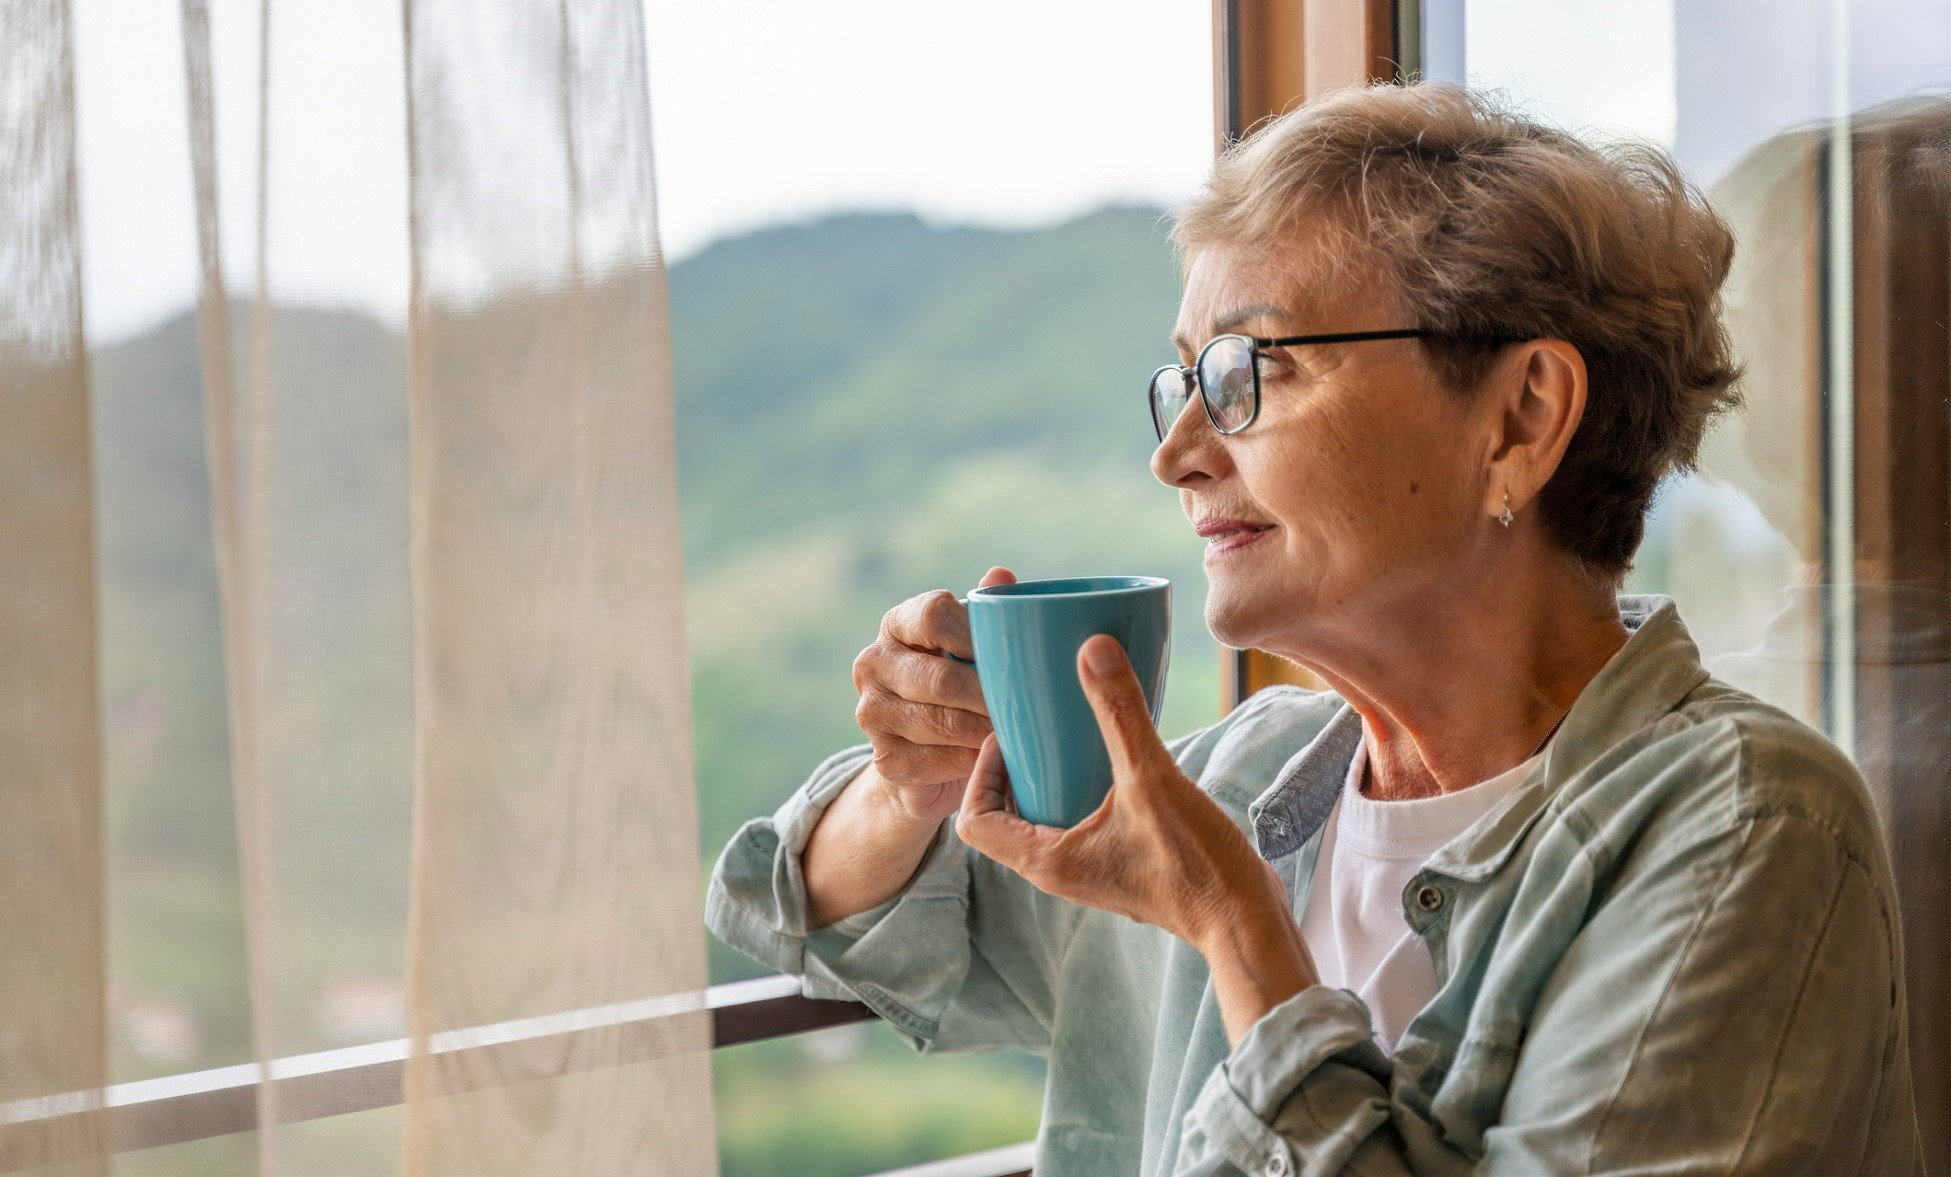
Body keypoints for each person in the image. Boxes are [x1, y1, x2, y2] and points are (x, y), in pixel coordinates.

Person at [705, 82, 1926, 1175]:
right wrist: (908, 774)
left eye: (1245, 372)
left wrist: (1235, 926)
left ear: (1520, 416)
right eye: (1179, 383)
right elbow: (826, 913)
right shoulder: (1251, 774)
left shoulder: (1746, 828)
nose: (1176, 455)